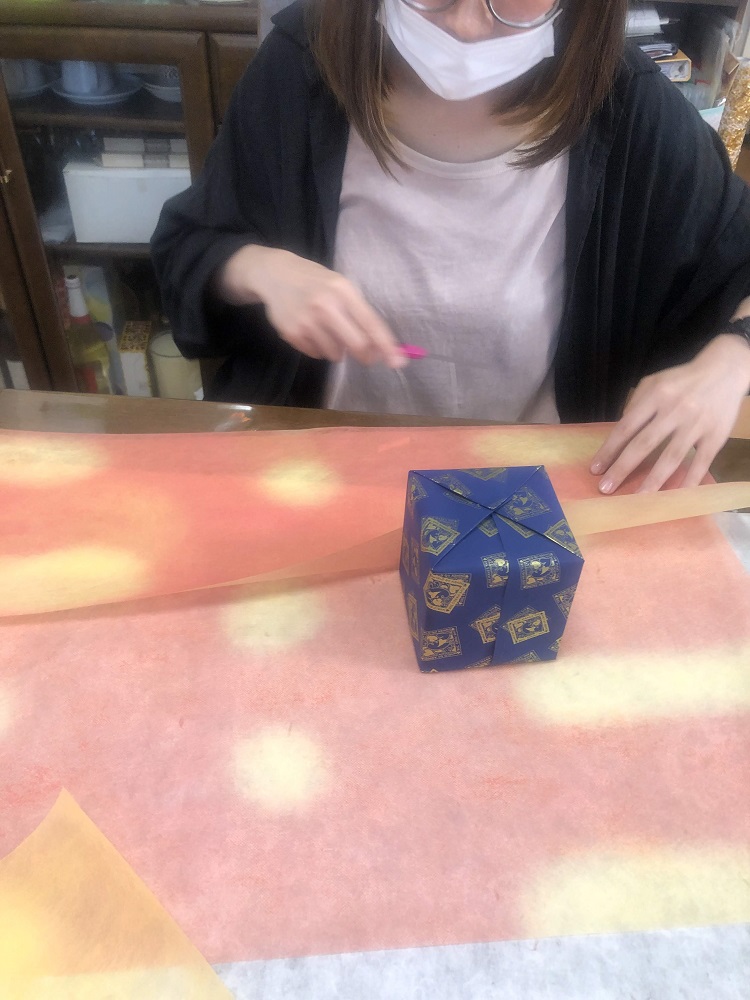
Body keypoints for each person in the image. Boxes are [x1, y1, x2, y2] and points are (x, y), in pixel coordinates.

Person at [151, 0, 750, 494]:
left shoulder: (632, 111)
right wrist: (260, 269)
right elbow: (188, 244)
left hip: (537, 491)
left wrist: (728, 364)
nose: (465, 23)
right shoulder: (299, 66)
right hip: (321, 477)